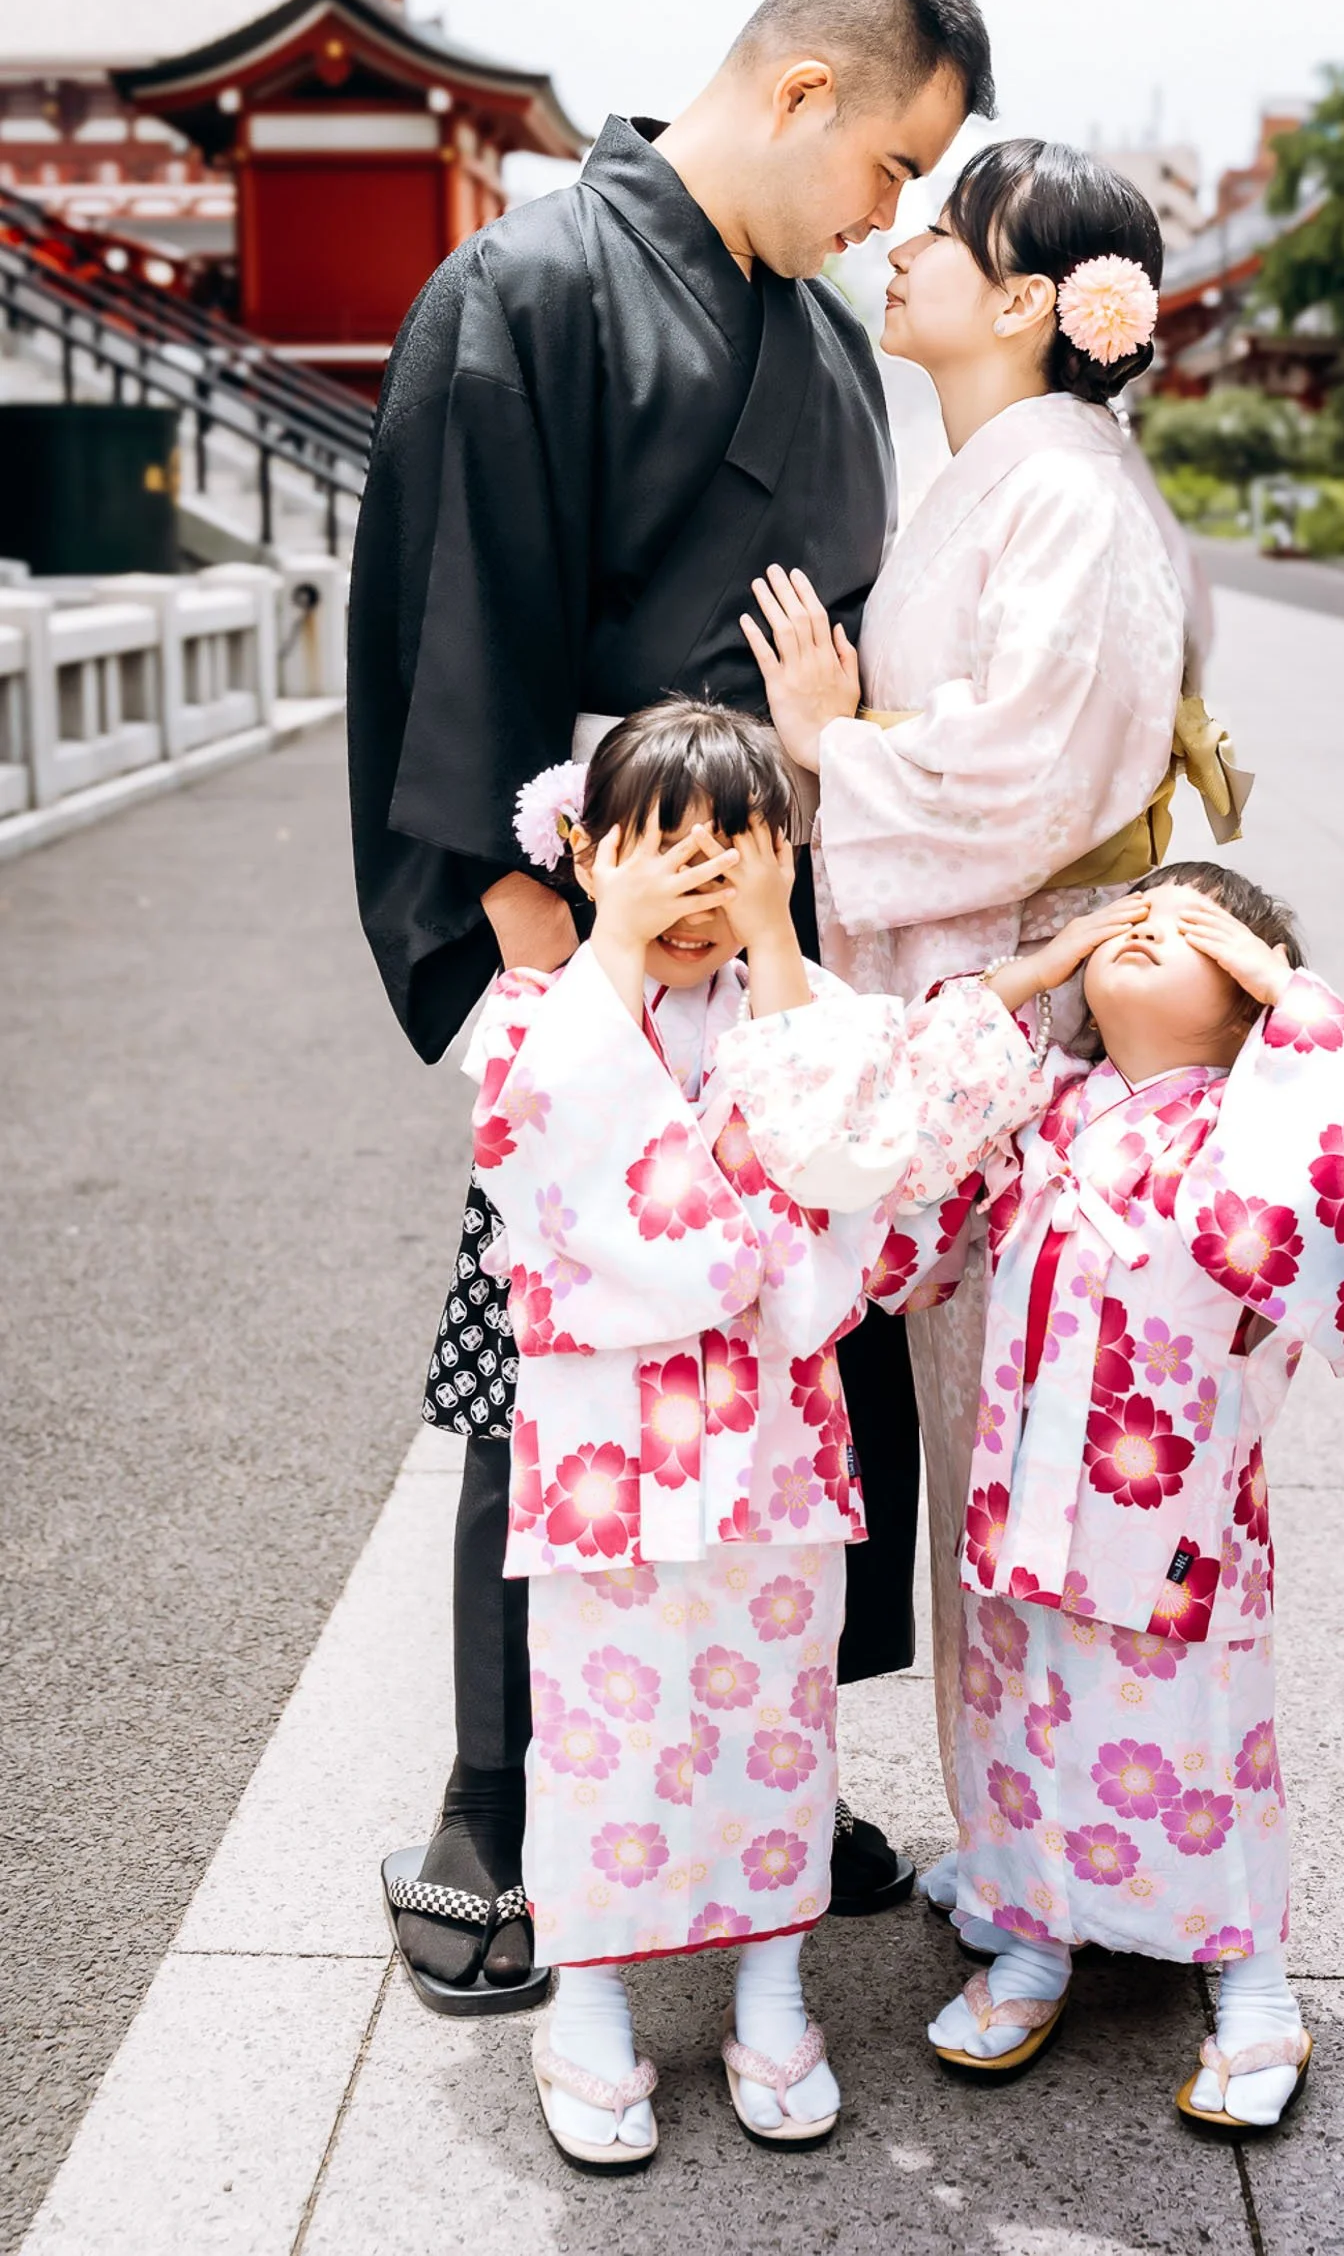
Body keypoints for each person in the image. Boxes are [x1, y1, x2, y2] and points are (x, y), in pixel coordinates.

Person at [351, 0, 995, 2006]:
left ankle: (757, 1766)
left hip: (776, 957)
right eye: (892, 165)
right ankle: (491, 1786)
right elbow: (461, 655)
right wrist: (554, 993)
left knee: (789, 1376)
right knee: (554, 1365)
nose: (888, 217)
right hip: (602, 941)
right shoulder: (531, 288)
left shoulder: (807, 339)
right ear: (806, 96)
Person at [462, 702, 1044, 2164]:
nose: (697, 877)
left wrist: (778, 947)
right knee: (604, 1734)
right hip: (607, 1460)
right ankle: (587, 1999)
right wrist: (611, 947)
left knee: (773, 1731)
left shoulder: (814, 1016)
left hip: (771, 1446)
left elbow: (848, 1186)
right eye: (660, 843)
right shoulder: (540, 1010)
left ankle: (773, 1987)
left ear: (785, 863)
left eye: (736, 845)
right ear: (589, 855)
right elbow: (561, 1190)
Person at [740, 139, 1201, 1834]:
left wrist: (827, 748)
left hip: (1040, 1033)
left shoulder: (1062, 489)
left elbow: (1031, 777)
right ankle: (1029, 1859)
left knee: (1041, 1458)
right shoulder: (999, 471)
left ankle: (1077, 1873)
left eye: (943, 234)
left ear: (1026, 302)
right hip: (976, 1022)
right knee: (997, 1452)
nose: (902, 248)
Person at [876, 864, 1344, 2129]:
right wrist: (1031, 974)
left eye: (1193, 932)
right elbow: (906, 1155)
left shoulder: (1256, 1126)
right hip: (1027, 1496)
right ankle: (1034, 1936)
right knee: (1021, 1714)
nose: (1146, 929)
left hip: (1173, 1511)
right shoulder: (1042, 1111)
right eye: (1129, 916)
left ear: (1247, 1011)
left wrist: (1288, 992)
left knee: (1195, 1734)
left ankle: (1252, 1982)